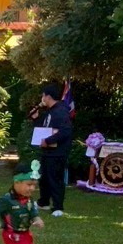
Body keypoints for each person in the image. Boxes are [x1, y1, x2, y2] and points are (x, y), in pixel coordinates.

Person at [32, 81, 75, 216]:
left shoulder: (61, 111)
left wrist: (48, 141)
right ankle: (43, 202)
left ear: (48, 96)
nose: (42, 99)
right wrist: (36, 119)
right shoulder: (50, 111)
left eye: (43, 96)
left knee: (55, 179)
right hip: (47, 152)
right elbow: (45, 130)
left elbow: (66, 131)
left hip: (58, 152)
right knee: (44, 178)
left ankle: (57, 207)